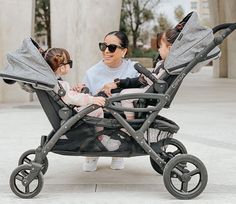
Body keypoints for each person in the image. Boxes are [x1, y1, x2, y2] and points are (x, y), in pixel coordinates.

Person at [79, 31, 139, 172]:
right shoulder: (92, 73)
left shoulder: (133, 70)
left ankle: (119, 151)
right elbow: (84, 100)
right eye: (103, 46)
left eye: (111, 47)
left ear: (124, 51)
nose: (106, 51)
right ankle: (92, 153)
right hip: (97, 119)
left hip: (124, 121)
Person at [43, 48, 121, 151]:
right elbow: (70, 98)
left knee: (94, 97)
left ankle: (99, 136)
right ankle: (100, 138)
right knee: (97, 109)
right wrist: (91, 99)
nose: (70, 66)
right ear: (61, 68)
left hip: (71, 112)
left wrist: (74, 90)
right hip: (74, 116)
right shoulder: (60, 84)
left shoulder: (55, 83)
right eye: (69, 63)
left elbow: (67, 96)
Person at [102, 24, 185, 120]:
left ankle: (130, 121)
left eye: (160, 47)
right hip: (148, 88)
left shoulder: (168, 68)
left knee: (125, 95)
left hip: (152, 92)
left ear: (170, 49)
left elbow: (156, 80)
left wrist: (147, 76)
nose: (158, 49)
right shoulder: (162, 63)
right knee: (120, 93)